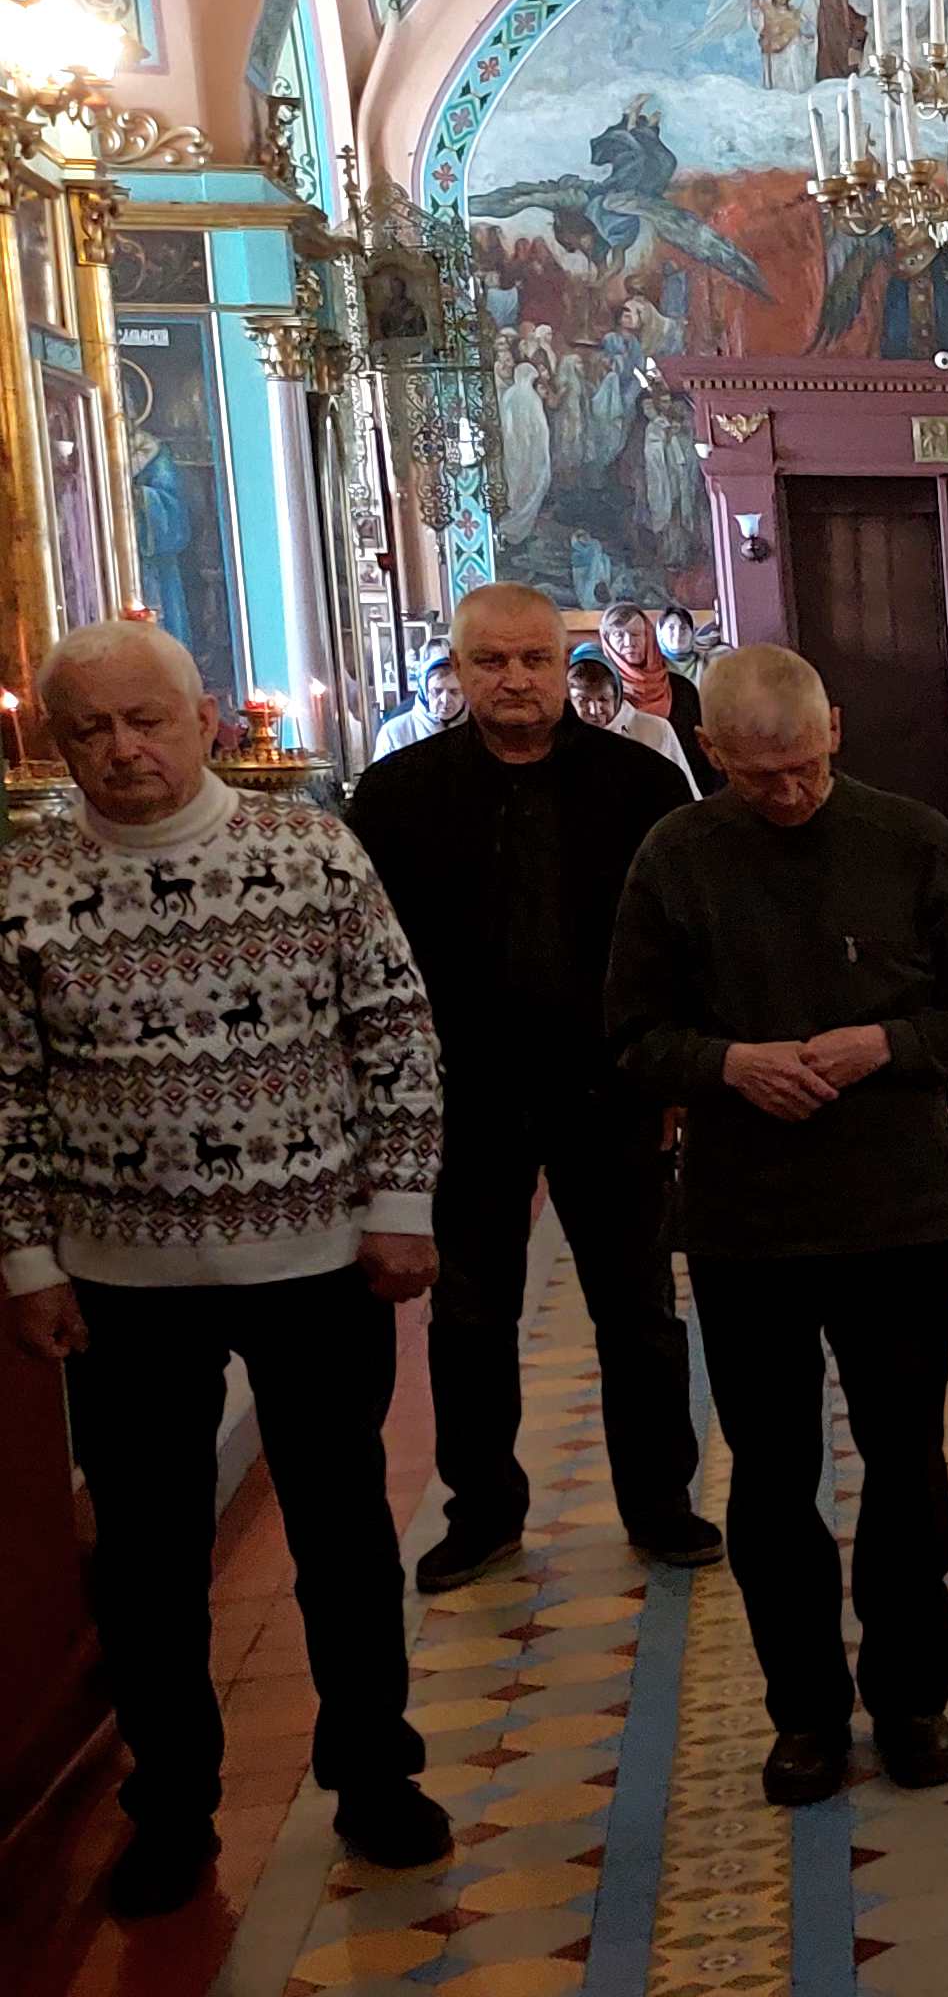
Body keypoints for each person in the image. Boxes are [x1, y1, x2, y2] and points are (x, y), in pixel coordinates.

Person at [0, 621, 451, 1918]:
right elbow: (9, 1092)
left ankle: (375, 1772)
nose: (122, 748)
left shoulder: (309, 852)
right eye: (90, 729)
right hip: (121, 1278)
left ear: (203, 719)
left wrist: (400, 1205)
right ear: (58, 744)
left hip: (315, 1259)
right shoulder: (28, 886)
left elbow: (396, 1036)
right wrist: (29, 1261)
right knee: (145, 1560)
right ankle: (172, 1805)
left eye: (146, 719)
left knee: (343, 1535)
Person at [607, 645, 948, 1809]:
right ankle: (803, 1712)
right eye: (759, 777)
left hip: (898, 1209)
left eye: (804, 766)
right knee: (772, 1475)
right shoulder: (676, 856)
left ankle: (910, 1698)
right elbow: (631, 1037)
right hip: (746, 1221)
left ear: (833, 728)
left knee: (906, 1463)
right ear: (711, 752)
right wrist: (727, 1065)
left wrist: (885, 1043)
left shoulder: (910, 840)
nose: (789, 793)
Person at [348, 583, 715, 1596]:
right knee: (470, 1316)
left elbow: (685, 942)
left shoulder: (640, 784)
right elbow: (367, 963)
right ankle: (483, 1513)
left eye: (534, 659)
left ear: (564, 667)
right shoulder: (397, 794)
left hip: (610, 1085)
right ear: (458, 671)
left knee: (638, 1309)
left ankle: (659, 1501)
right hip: (461, 1093)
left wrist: (677, 1074)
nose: (514, 679)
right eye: (491, 661)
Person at [602, 601, 712, 790]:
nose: (629, 643)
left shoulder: (682, 688)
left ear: (649, 636)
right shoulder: (605, 697)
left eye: (636, 634)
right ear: (607, 640)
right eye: (619, 635)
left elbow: (702, 750)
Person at [569, 653, 698, 783]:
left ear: (617, 697)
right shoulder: (564, 740)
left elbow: (687, 789)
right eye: (583, 700)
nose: (594, 710)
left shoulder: (657, 730)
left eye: (603, 699)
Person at [372, 656, 462, 761]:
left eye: (454, 692)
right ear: (424, 693)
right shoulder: (393, 733)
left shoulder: (476, 729)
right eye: (436, 692)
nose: (445, 700)